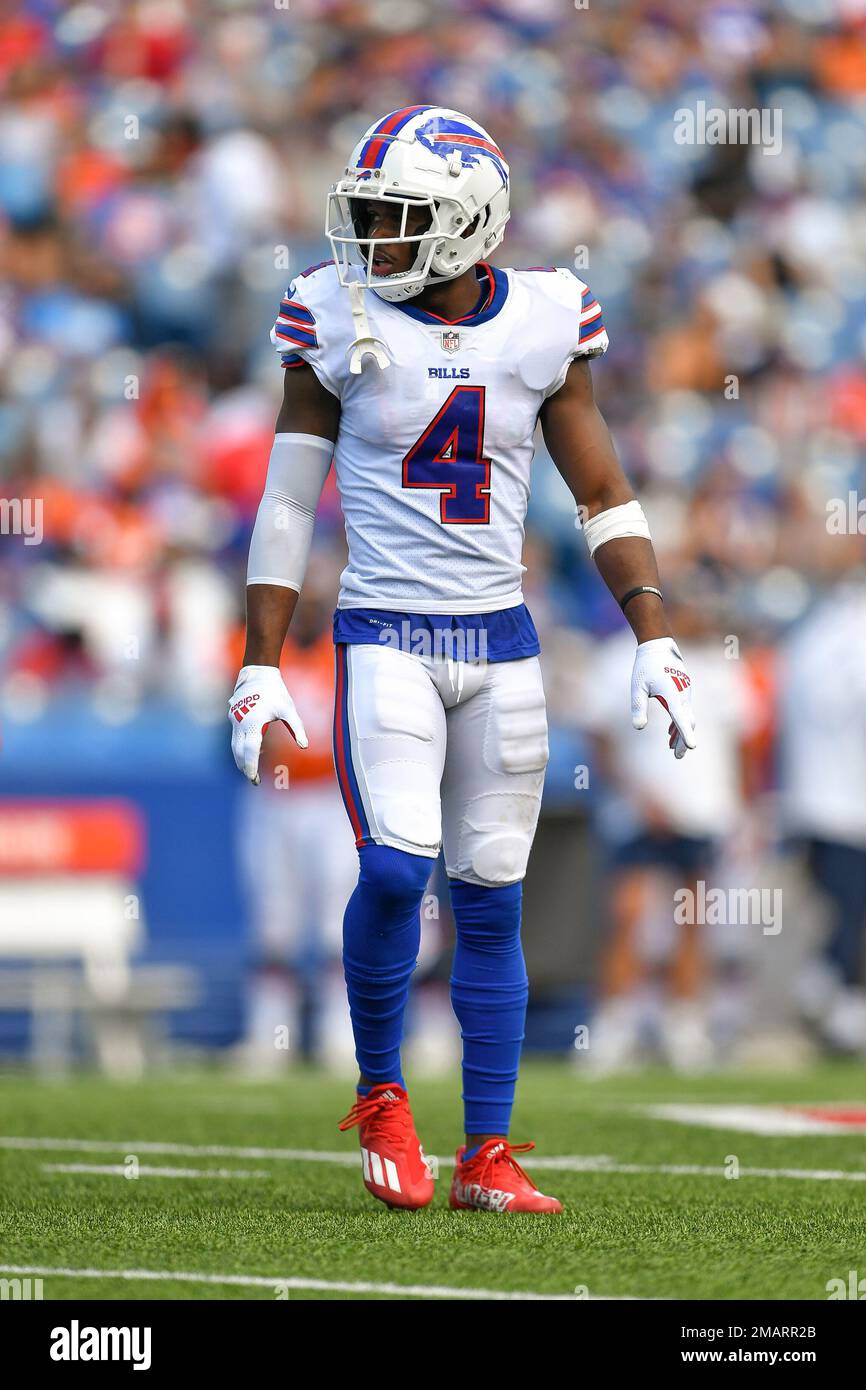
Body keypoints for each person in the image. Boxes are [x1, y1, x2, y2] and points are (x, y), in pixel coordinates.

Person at [227, 107, 696, 1214]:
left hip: (501, 643)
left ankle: (487, 1153)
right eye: (369, 216)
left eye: (396, 219)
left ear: (466, 224)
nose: (372, 241)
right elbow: (289, 501)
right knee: (394, 869)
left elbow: (600, 493)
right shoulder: (334, 314)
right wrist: (259, 662)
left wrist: (654, 631)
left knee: (489, 899)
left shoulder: (541, 318)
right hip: (385, 633)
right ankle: (383, 1095)